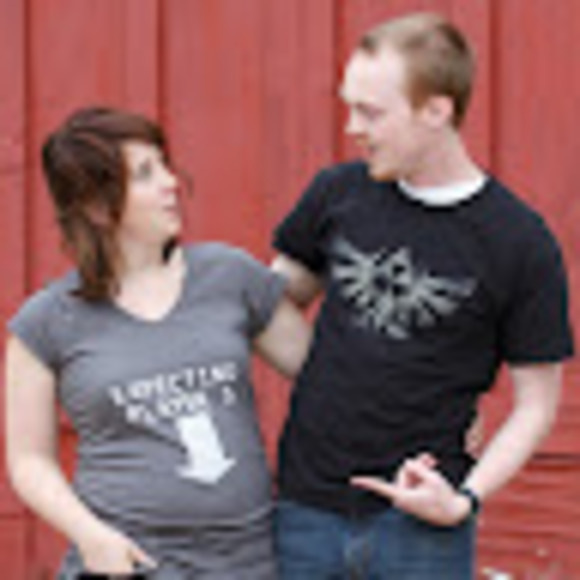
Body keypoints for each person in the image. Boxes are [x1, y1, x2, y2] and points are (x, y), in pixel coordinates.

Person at [271, 12, 574, 579]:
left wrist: (464, 500)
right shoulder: (336, 195)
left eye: (370, 112)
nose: (351, 127)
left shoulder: (518, 241)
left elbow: (536, 406)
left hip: (420, 530)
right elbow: (267, 306)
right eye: (348, 107)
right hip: (304, 513)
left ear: (436, 110)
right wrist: (339, 378)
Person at [4, 107, 311, 579]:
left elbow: (328, 376)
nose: (171, 183)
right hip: (127, 564)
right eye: (146, 174)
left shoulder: (230, 276)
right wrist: (91, 536)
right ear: (97, 206)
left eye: (165, 165)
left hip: (244, 564)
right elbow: (29, 460)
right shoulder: (46, 322)